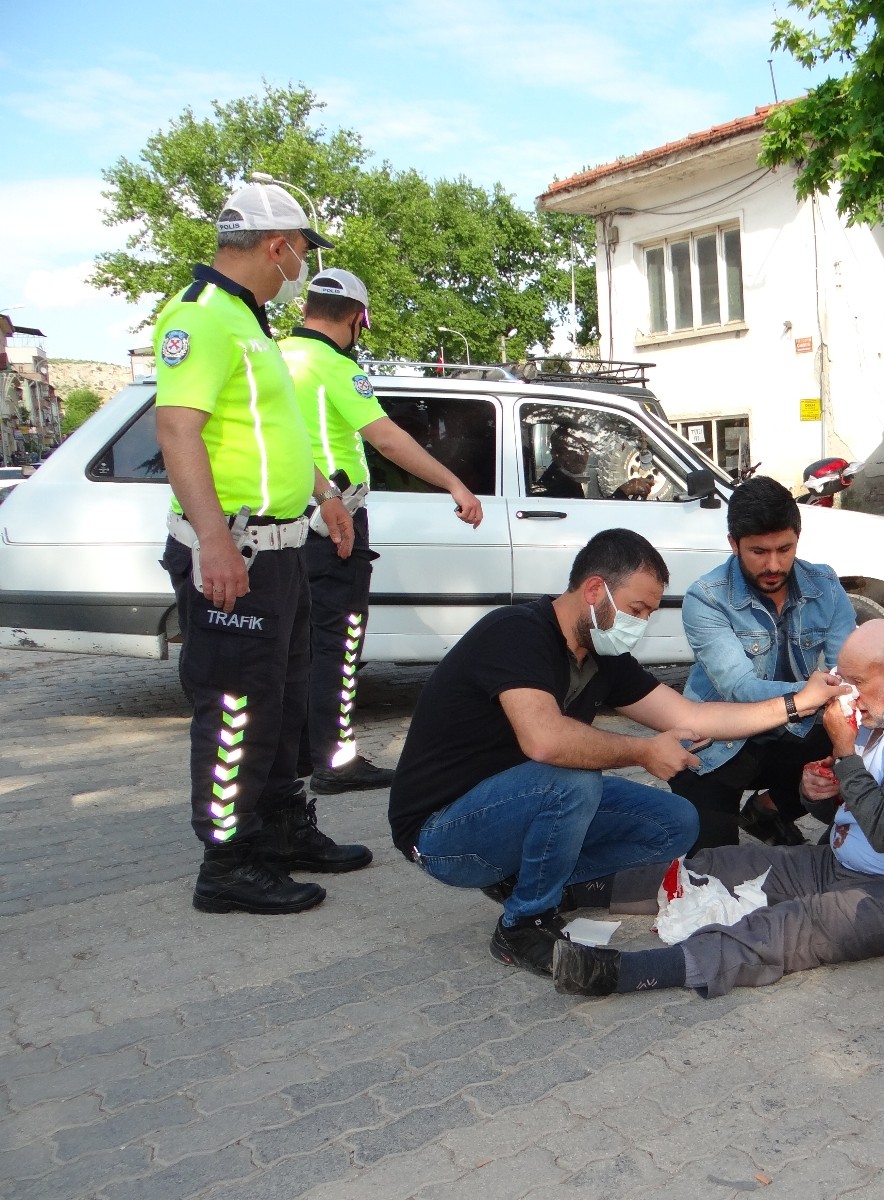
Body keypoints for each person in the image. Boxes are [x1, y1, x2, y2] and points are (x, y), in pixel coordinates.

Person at [387, 528, 847, 976]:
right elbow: (544, 740)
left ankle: (534, 882)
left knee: (676, 823)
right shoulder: (515, 633)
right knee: (571, 779)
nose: (641, 624)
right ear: (594, 590)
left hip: (518, 806)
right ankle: (524, 924)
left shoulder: (601, 655)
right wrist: (644, 753)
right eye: (636, 609)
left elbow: (695, 715)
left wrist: (798, 703)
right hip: (441, 834)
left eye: (648, 613)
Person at [154, 181, 371, 916]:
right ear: (278, 246)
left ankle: (281, 829)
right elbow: (177, 429)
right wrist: (214, 539)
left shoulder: (251, 326)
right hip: (237, 552)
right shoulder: (200, 318)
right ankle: (227, 862)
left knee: (279, 701)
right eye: (304, 252)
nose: (302, 267)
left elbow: (271, 434)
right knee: (235, 707)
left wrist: (324, 493)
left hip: (282, 550)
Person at [551, 619, 884, 997]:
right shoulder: (878, 704)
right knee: (719, 866)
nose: (847, 693)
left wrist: (844, 754)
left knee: (783, 929)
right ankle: (565, 895)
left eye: (857, 682)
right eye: (844, 679)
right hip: (837, 862)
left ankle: (622, 974)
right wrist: (819, 794)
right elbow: (844, 815)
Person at [280, 269, 486, 796]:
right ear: (357, 318)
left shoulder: (273, 356)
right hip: (333, 521)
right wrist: (454, 484)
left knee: (298, 645)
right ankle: (336, 760)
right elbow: (387, 439)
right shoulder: (334, 367)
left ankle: (302, 753)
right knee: (339, 642)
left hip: (282, 523)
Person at [671, 476, 858, 850]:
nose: (774, 564)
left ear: (797, 540)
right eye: (758, 552)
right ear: (733, 545)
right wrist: (811, 694)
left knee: (858, 744)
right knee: (714, 870)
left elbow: (849, 669)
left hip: (796, 732)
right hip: (719, 743)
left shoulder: (825, 583)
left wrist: (836, 695)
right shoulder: (706, 597)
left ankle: (767, 810)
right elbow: (740, 689)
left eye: (784, 549)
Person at [530, 423, 653, 501]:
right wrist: (624, 490)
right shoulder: (558, 486)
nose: (584, 455)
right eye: (576, 449)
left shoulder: (564, 478)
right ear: (559, 453)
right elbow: (587, 518)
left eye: (586, 448)